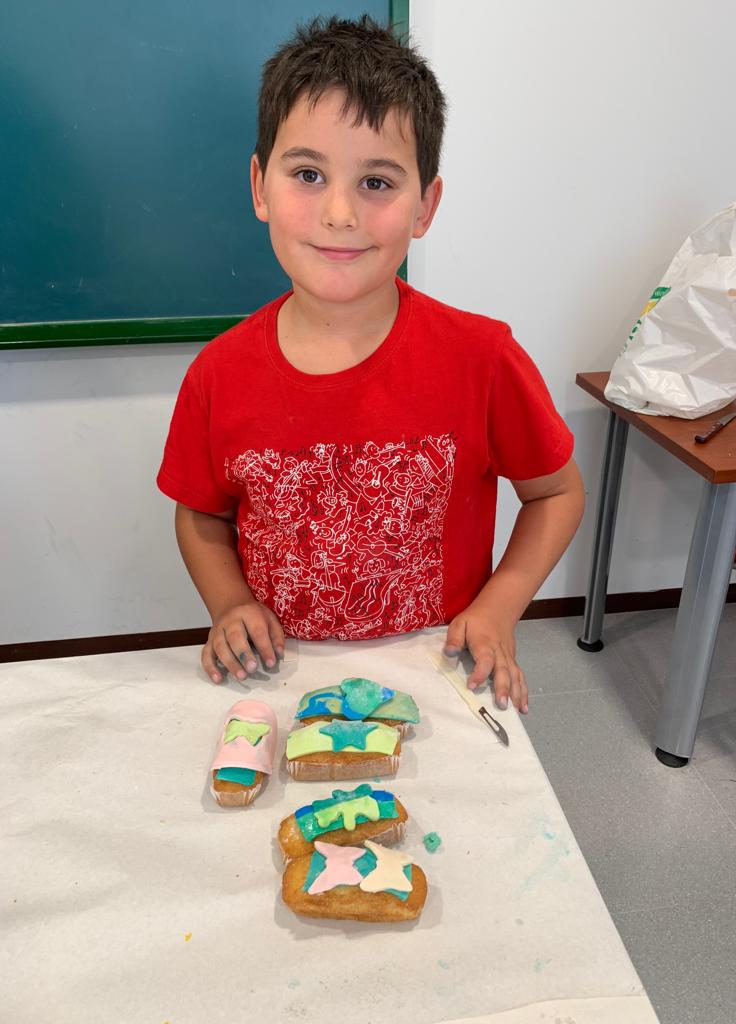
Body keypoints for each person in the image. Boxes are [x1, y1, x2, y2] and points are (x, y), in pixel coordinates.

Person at [157, 15, 584, 713]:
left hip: (440, 675)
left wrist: (499, 607)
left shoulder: (483, 358)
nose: (339, 213)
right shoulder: (218, 374)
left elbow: (557, 493)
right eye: (308, 174)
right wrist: (229, 603)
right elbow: (201, 516)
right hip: (281, 681)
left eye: (377, 182)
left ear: (425, 205)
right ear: (260, 186)